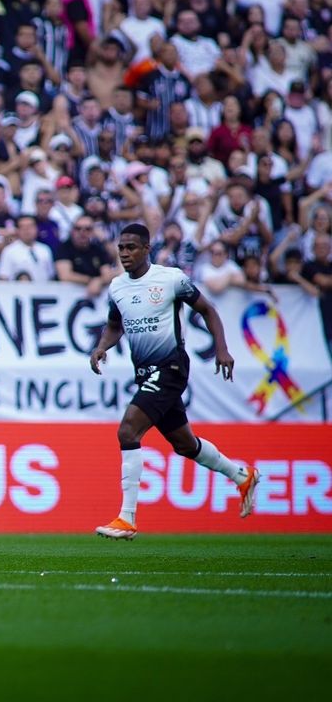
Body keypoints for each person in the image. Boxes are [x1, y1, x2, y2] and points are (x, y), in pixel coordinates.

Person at [89, 224, 260, 540]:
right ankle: (242, 475)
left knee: (128, 430)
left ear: (146, 248)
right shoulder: (117, 287)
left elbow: (207, 309)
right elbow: (114, 325)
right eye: (121, 248)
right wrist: (101, 347)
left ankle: (126, 518)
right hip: (144, 373)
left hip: (170, 367)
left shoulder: (170, 279)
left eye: (131, 247)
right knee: (184, 444)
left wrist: (222, 349)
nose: (124, 253)